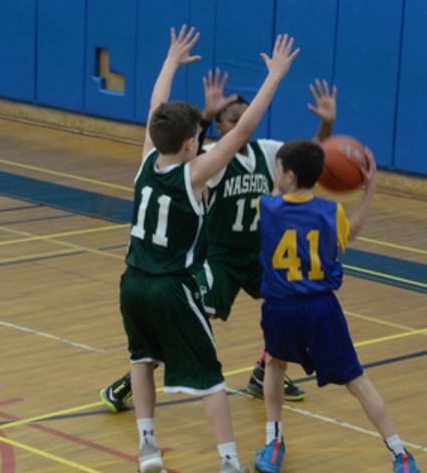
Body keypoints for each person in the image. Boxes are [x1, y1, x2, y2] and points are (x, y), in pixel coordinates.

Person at [121, 25, 299, 473]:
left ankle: (148, 448)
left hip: (131, 281)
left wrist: (169, 61)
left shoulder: (146, 160)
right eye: (198, 136)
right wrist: (275, 76)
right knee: (212, 380)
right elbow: (241, 132)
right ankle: (229, 466)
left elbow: (157, 107)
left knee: (141, 359)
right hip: (172, 287)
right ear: (190, 143)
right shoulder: (194, 172)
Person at [100, 78, 336, 411]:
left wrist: (326, 125)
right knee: (186, 323)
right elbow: (183, 158)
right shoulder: (210, 157)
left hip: (258, 256)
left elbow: (306, 157)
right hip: (219, 257)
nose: (239, 125)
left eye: (243, 118)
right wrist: (205, 118)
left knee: (294, 308)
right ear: (221, 128)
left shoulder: (268, 151)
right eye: (231, 121)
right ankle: (130, 380)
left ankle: (262, 371)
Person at [253, 139, 420, 473]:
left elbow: (277, 192)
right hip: (321, 309)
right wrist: (369, 190)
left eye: (278, 169)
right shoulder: (332, 213)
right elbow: (351, 231)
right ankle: (400, 454)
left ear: (288, 175)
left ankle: (274, 441)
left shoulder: (265, 206)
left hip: (281, 308)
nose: (275, 174)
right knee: (356, 380)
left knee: (275, 365)